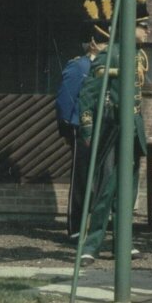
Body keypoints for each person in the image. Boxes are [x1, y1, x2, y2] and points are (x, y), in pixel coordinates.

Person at [77, 0, 151, 266]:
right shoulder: (111, 56)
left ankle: (123, 242)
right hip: (113, 130)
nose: (147, 32)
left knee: (128, 191)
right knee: (107, 190)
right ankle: (92, 244)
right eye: (143, 27)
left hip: (133, 132)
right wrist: (87, 128)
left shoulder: (140, 56)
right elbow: (89, 94)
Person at [55, 17, 108, 240]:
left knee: (102, 180)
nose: (108, 46)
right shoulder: (80, 66)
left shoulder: (108, 65)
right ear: (94, 43)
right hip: (83, 128)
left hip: (105, 128)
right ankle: (76, 229)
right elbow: (65, 101)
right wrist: (69, 128)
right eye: (105, 42)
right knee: (82, 180)